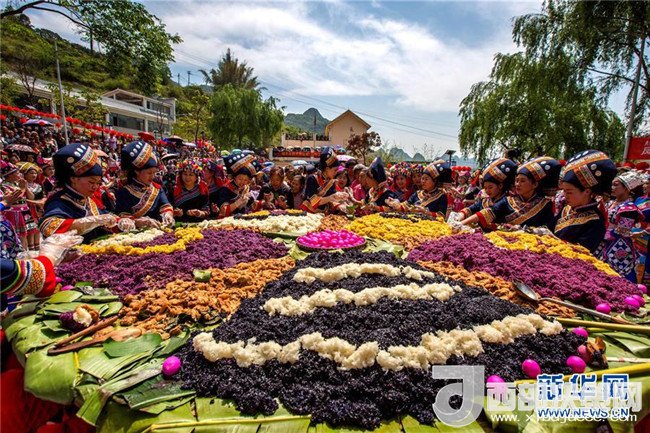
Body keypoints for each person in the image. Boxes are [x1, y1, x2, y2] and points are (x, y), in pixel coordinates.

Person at [39, 143, 121, 243]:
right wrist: (93, 221)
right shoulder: (59, 201)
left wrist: (120, 222)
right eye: (91, 182)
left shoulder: (86, 199)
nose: (95, 187)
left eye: (98, 183)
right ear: (73, 179)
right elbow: (48, 226)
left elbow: (105, 218)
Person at [461, 156, 561, 229]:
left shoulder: (545, 204)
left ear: (534, 184)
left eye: (522, 181)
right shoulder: (508, 201)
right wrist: (461, 223)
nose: (518, 184)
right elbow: (488, 212)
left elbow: (549, 228)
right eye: (516, 180)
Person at [553, 150, 617, 253]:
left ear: (587, 191)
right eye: (563, 191)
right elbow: (550, 229)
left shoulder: (595, 221)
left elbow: (582, 252)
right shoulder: (567, 209)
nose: (565, 196)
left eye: (569, 192)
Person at [598, 170, 645, 282]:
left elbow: (623, 231)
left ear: (627, 188)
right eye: (612, 185)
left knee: (619, 277)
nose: (612, 188)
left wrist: (603, 233)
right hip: (605, 243)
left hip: (619, 246)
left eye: (616, 185)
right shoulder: (610, 203)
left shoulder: (629, 208)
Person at [115, 141, 174, 227]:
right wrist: (139, 222)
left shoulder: (157, 188)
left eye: (154, 172)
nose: (152, 176)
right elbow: (123, 216)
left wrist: (168, 215)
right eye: (149, 173)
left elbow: (165, 206)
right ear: (137, 171)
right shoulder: (124, 191)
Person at [453, 158, 517, 230]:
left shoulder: (507, 201)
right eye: (485, 188)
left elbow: (486, 213)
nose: (487, 191)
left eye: (490, 187)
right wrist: (458, 217)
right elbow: (470, 209)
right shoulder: (485, 201)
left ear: (500, 186)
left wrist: (461, 223)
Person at [387, 160, 452, 218]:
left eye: (426, 179)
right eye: (422, 178)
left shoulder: (441, 196)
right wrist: (395, 203)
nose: (423, 181)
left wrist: (426, 212)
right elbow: (405, 206)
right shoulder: (417, 193)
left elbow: (441, 216)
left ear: (434, 181)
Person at [1, 161, 38, 250]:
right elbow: (15, 198)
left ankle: (28, 252)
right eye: (17, 173)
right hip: (13, 213)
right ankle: (21, 253)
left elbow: (31, 197)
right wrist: (22, 189)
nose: (20, 175)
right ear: (10, 175)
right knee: (20, 235)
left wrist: (26, 188)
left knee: (27, 234)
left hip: (24, 211)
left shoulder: (18, 184)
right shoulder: (4, 186)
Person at [301, 147, 349, 213]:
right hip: (308, 212)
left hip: (322, 213)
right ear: (327, 169)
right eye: (335, 170)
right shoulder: (312, 178)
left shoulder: (331, 181)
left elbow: (331, 200)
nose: (336, 172)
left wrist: (340, 206)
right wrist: (331, 197)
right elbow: (314, 201)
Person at [216, 152, 262, 217]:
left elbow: (252, 206)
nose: (242, 182)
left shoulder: (246, 188)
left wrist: (262, 203)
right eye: (240, 179)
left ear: (249, 180)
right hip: (227, 220)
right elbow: (223, 211)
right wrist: (238, 202)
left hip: (241, 219)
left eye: (245, 180)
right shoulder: (225, 189)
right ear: (234, 177)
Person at [20, 162, 45, 250]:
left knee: (37, 229)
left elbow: (42, 197)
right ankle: (31, 250)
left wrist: (41, 203)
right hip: (26, 210)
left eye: (35, 173)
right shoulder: (21, 186)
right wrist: (25, 187)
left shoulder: (38, 186)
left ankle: (37, 248)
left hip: (37, 210)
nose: (34, 175)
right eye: (31, 173)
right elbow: (28, 198)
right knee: (30, 230)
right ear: (25, 175)